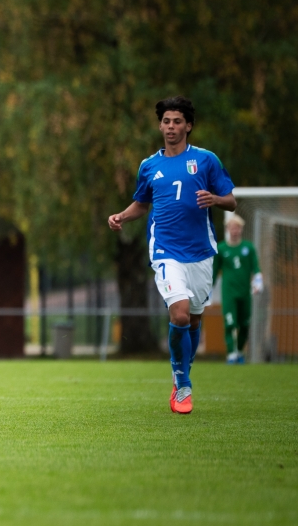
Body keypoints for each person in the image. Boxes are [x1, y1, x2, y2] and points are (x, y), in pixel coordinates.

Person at [108, 96, 236, 414]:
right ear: (160, 125)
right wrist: (122, 216)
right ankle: (182, 385)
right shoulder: (149, 166)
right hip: (165, 250)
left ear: (188, 126)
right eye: (166, 121)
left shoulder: (206, 160)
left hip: (201, 253)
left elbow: (232, 200)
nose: (171, 127)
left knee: (192, 320)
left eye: (177, 121)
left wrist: (215, 199)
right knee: (178, 314)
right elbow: (142, 203)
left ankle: (182, 376)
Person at [212, 214, 263, 364]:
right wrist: (208, 289)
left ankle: (240, 351)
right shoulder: (221, 249)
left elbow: (256, 267)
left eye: (237, 227)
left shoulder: (248, 248)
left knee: (245, 325)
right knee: (229, 323)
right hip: (228, 292)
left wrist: (258, 281)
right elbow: (214, 271)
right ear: (227, 229)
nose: (235, 230)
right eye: (232, 227)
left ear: (241, 229)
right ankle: (231, 354)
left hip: (245, 292)